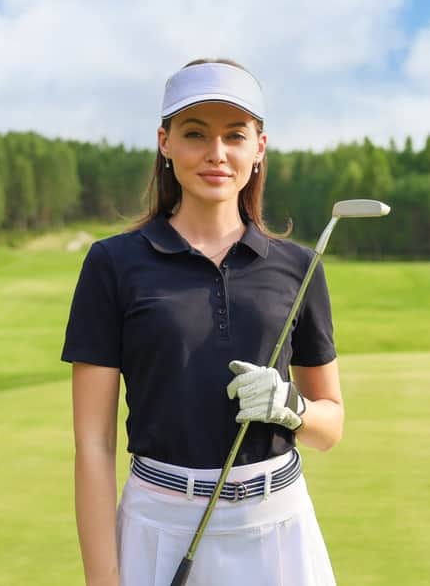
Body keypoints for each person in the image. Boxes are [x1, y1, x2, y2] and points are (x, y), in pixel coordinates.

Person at [61, 58, 343, 586]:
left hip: (278, 530)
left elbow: (331, 427)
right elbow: (92, 445)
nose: (216, 153)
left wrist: (291, 407)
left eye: (235, 135)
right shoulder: (113, 264)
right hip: (157, 527)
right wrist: (103, 581)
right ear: (165, 142)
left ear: (259, 148)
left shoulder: (299, 267)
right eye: (195, 134)